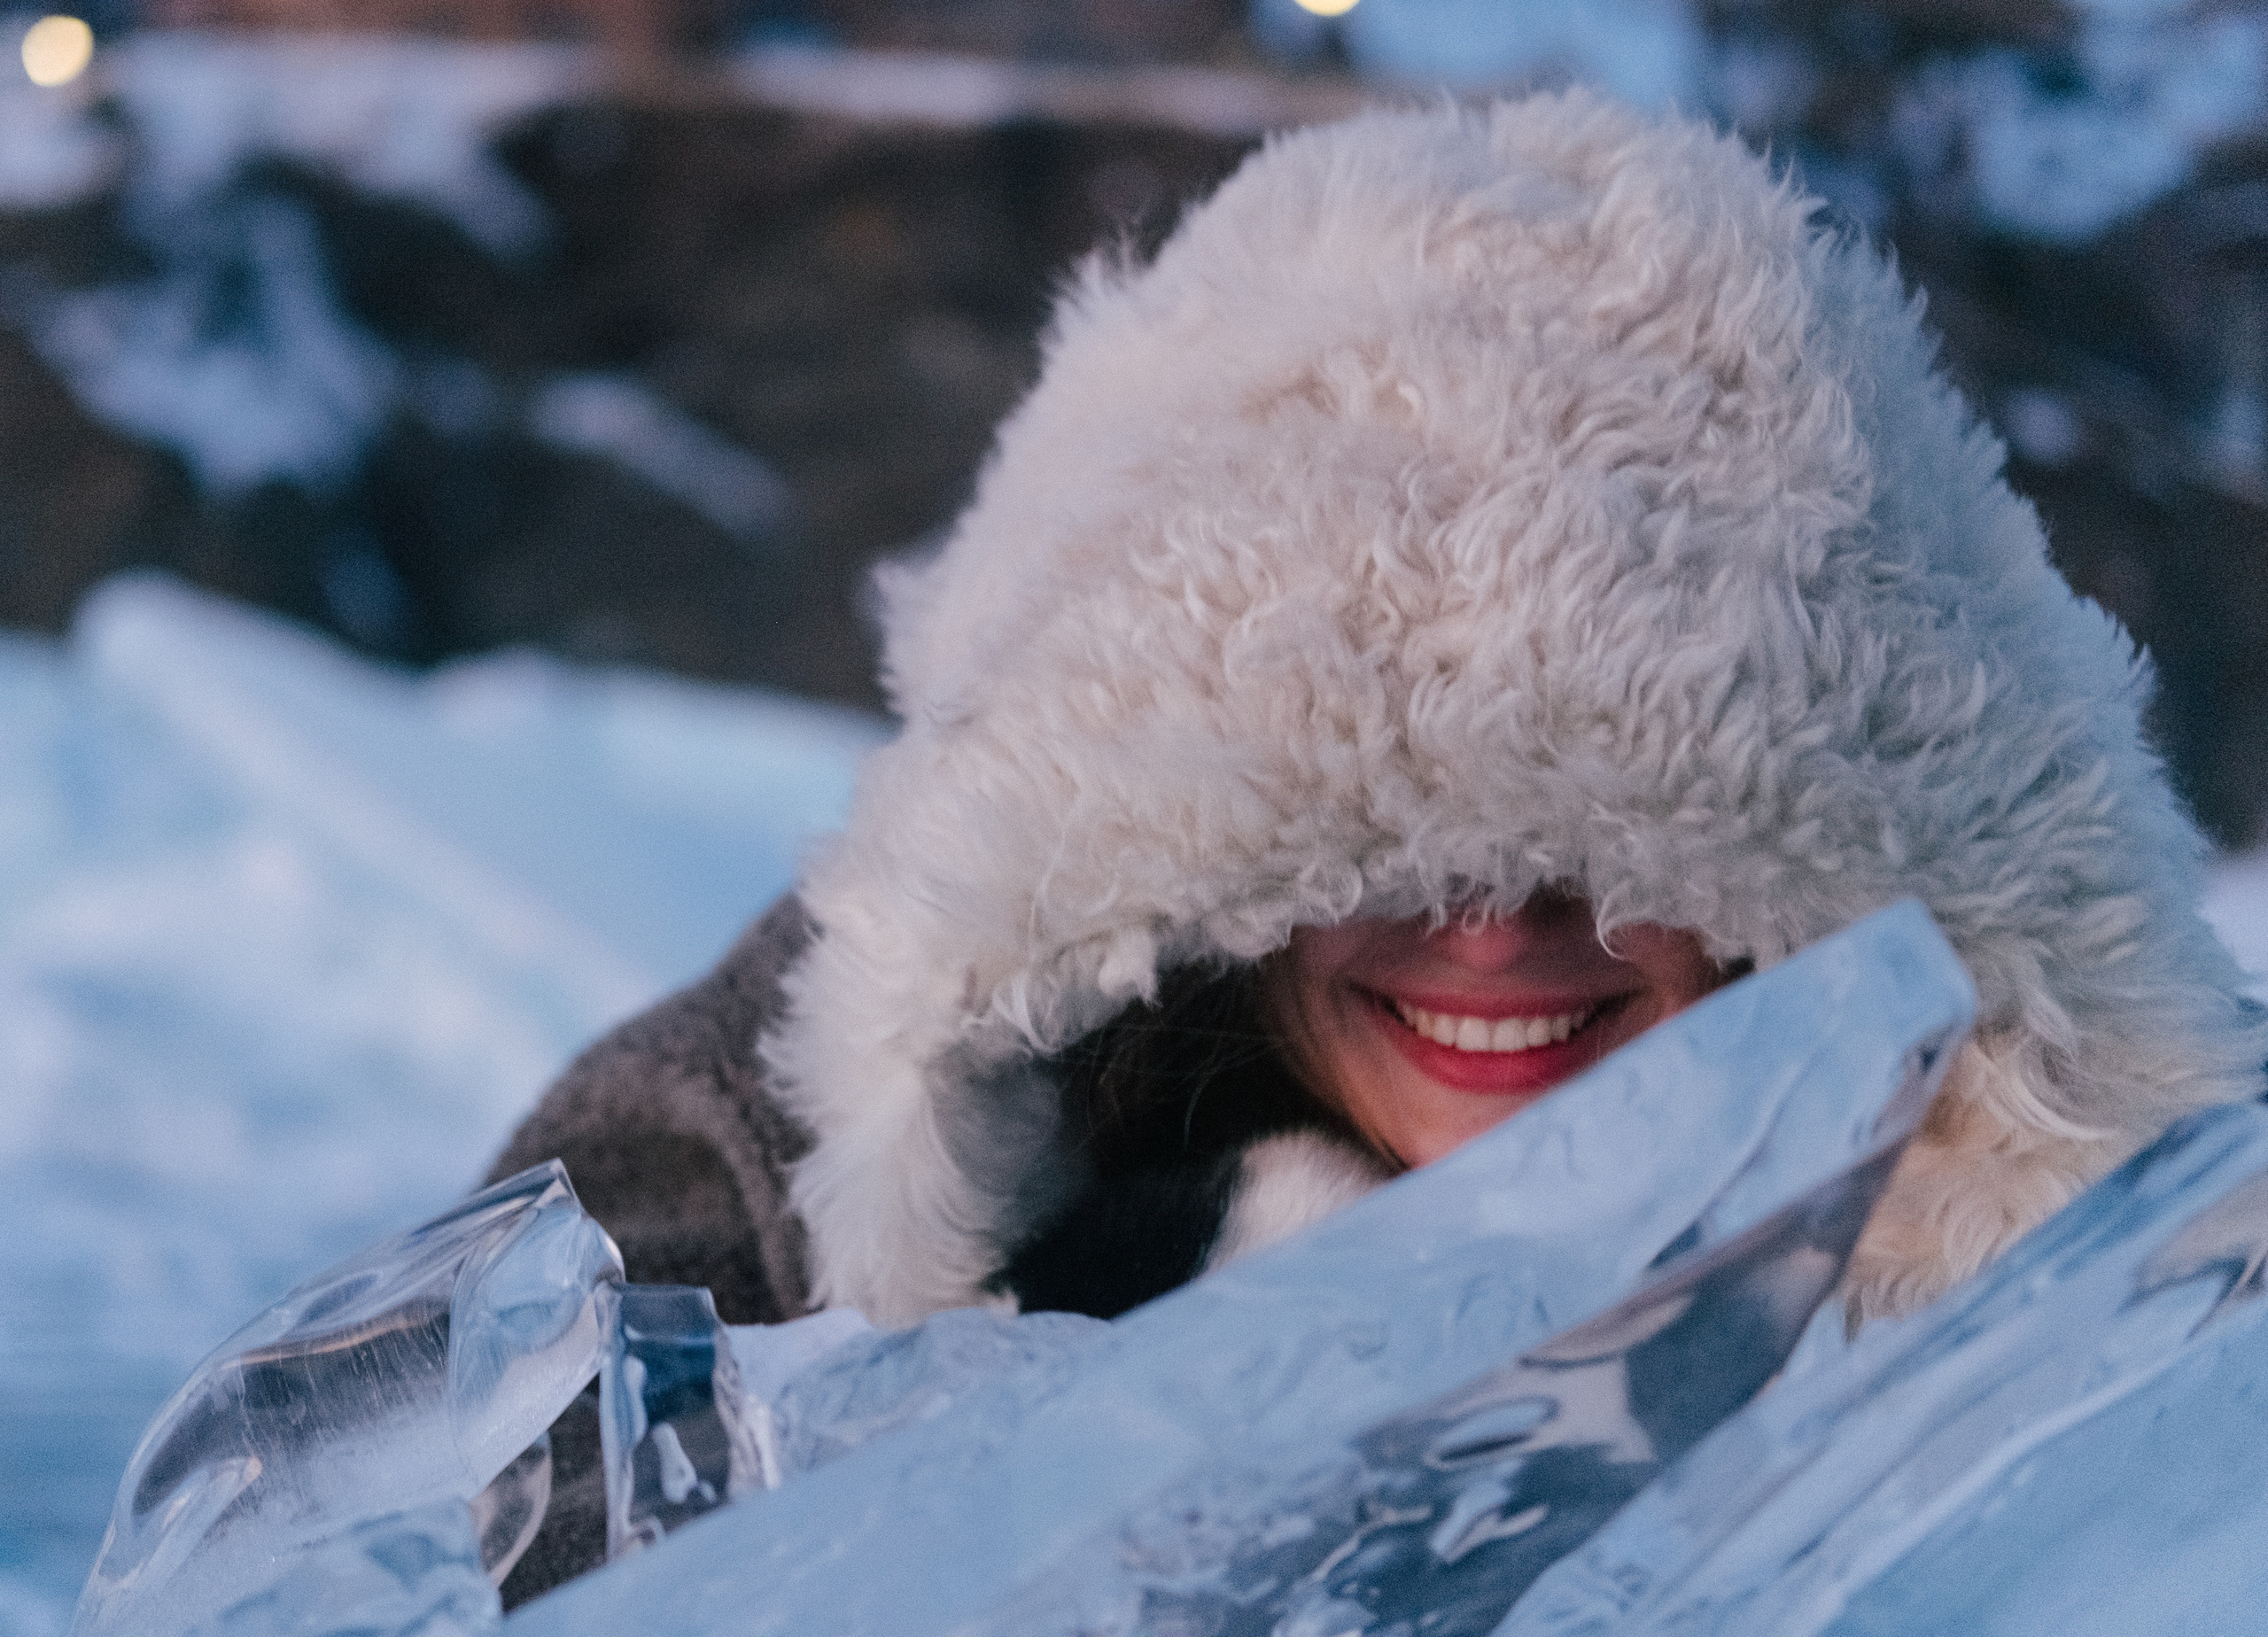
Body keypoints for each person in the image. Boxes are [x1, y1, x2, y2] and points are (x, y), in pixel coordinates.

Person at [485, 89, 2266, 1595]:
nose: (1487, 917)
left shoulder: (2138, 1337)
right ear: (1182, 853)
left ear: (1825, 847)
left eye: (1606, 815)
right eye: (1358, 826)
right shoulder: (732, 1180)